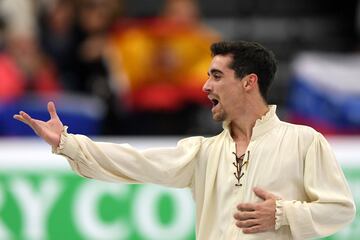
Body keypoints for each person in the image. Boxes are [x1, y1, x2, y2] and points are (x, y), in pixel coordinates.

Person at [13, 41, 355, 239]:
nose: (205, 86)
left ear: (249, 82)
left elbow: (339, 210)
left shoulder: (304, 142)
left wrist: (281, 213)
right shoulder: (203, 152)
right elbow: (136, 162)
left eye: (217, 76)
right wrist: (67, 143)